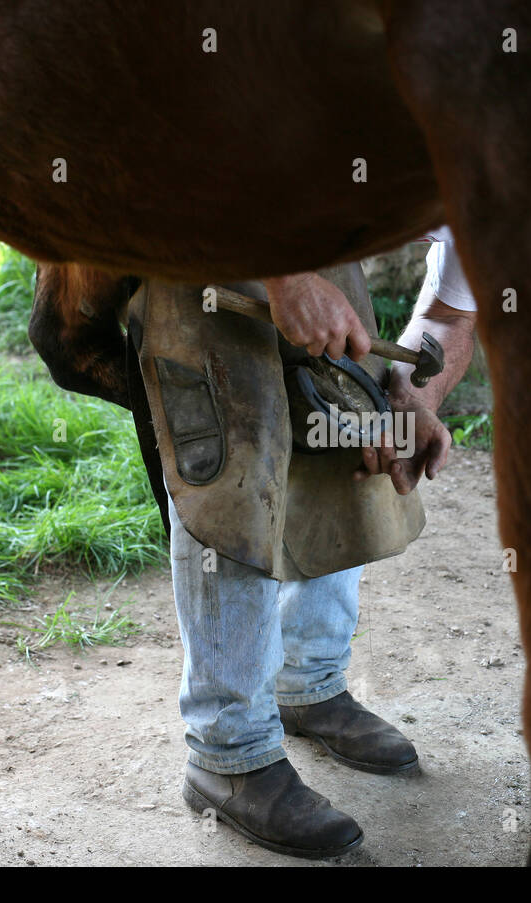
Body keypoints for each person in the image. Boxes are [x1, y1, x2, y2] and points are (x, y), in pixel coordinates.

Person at [171, 230, 480, 858]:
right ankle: (227, 750)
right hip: (204, 229)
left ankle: (306, 684)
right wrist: (285, 276)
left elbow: (450, 316)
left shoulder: (507, 197)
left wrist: (412, 398)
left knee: (351, 435)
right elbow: (208, 146)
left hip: (325, 247)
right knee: (233, 470)